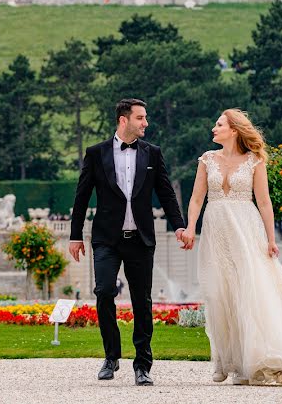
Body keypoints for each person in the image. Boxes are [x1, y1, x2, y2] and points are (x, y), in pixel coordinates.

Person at [183, 108, 282, 386]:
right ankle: (226, 360)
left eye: (219, 124)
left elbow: (265, 203)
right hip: (215, 231)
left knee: (247, 291)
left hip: (246, 230)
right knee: (218, 292)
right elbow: (197, 199)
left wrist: (271, 239)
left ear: (233, 130)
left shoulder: (254, 161)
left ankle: (254, 361)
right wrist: (190, 227)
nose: (214, 127)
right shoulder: (207, 160)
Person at [68, 98, 188, 386]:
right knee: (104, 291)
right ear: (124, 120)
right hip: (106, 239)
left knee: (142, 301)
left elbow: (166, 193)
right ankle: (111, 357)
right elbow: (82, 195)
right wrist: (74, 235)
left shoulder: (152, 153)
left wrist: (180, 226)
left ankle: (142, 365)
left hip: (141, 239)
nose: (145, 123)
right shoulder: (96, 153)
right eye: (140, 118)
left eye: (145, 118)